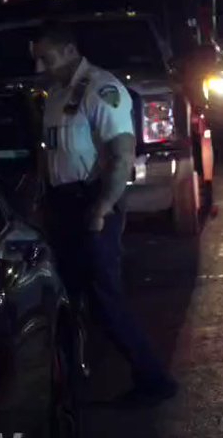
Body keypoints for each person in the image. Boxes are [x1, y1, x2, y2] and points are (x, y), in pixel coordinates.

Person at [32, 21, 178, 403]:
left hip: (91, 203)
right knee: (71, 297)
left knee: (106, 300)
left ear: (68, 50)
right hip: (64, 206)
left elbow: (121, 155)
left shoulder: (101, 89)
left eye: (45, 57)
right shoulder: (56, 93)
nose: (40, 67)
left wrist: (102, 208)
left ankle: (154, 378)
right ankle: (73, 381)